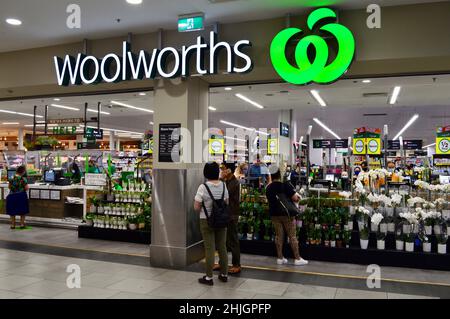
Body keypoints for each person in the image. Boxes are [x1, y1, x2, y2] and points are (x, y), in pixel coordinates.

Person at [194, 162, 229, 286]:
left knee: (210, 249)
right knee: (222, 247)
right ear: (217, 172)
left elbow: (196, 207)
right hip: (222, 220)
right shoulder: (224, 186)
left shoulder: (203, 187)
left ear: (206, 173)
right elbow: (226, 203)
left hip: (206, 220)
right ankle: (224, 274)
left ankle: (209, 277)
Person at [265, 167, 308, 266]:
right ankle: (297, 258)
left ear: (271, 175)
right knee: (292, 236)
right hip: (286, 215)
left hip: (274, 214)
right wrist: (299, 195)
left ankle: (280, 258)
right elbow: (295, 199)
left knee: (278, 236)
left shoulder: (268, 187)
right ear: (279, 174)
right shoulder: (285, 185)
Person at [215, 162, 241, 274]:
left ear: (229, 170)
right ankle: (222, 263)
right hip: (225, 214)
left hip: (231, 215)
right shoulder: (227, 182)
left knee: (233, 240)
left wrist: (220, 179)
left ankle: (236, 264)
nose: (221, 171)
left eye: (223, 169)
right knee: (223, 240)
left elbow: (223, 193)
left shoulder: (234, 183)